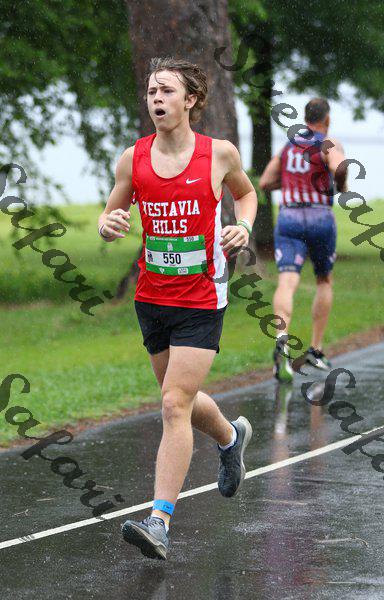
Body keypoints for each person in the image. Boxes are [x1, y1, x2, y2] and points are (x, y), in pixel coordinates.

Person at [97, 57, 257, 560]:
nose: (156, 99)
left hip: (201, 299)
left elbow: (246, 195)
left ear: (190, 100)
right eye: (151, 91)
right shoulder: (133, 158)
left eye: (166, 90)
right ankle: (230, 437)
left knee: (172, 404)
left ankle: (159, 522)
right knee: (178, 400)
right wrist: (107, 224)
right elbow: (112, 210)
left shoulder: (219, 153)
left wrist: (243, 226)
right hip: (152, 298)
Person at [259, 98, 347, 382]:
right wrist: (341, 185)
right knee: (324, 280)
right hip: (320, 217)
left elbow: (265, 182)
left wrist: (289, 182)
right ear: (327, 119)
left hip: (290, 217)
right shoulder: (328, 143)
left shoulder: (289, 146)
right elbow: (340, 167)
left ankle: (282, 339)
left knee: (287, 281)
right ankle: (315, 350)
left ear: (305, 118)